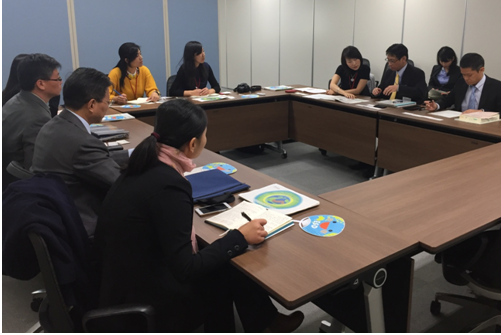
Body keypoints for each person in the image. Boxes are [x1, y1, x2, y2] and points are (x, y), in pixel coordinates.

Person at [94, 99, 304, 332]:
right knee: (227, 259)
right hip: (144, 292)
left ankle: (265, 322)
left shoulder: (147, 161)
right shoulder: (169, 185)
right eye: (205, 135)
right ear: (193, 144)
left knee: (224, 254)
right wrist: (240, 237)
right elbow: (186, 269)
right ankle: (259, 323)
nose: (206, 139)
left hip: (123, 274)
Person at [32, 68, 130, 237]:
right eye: (107, 102)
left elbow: (96, 159)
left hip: (54, 216)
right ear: (91, 105)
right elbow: (121, 184)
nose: (107, 107)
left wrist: (133, 154)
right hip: (84, 226)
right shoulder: (83, 142)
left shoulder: (54, 124)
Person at [2, 54, 62, 189]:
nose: (61, 82)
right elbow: (37, 167)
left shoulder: (16, 100)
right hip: (20, 186)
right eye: (57, 78)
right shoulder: (38, 117)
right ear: (41, 84)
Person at [424, 52, 501, 118]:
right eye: (463, 74)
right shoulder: (461, 83)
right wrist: (436, 105)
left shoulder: (498, 87)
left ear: (481, 70)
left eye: (469, 75)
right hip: (460, 124)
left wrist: (482, 112)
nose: (466, 78)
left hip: (485, 128)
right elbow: (449, 99)